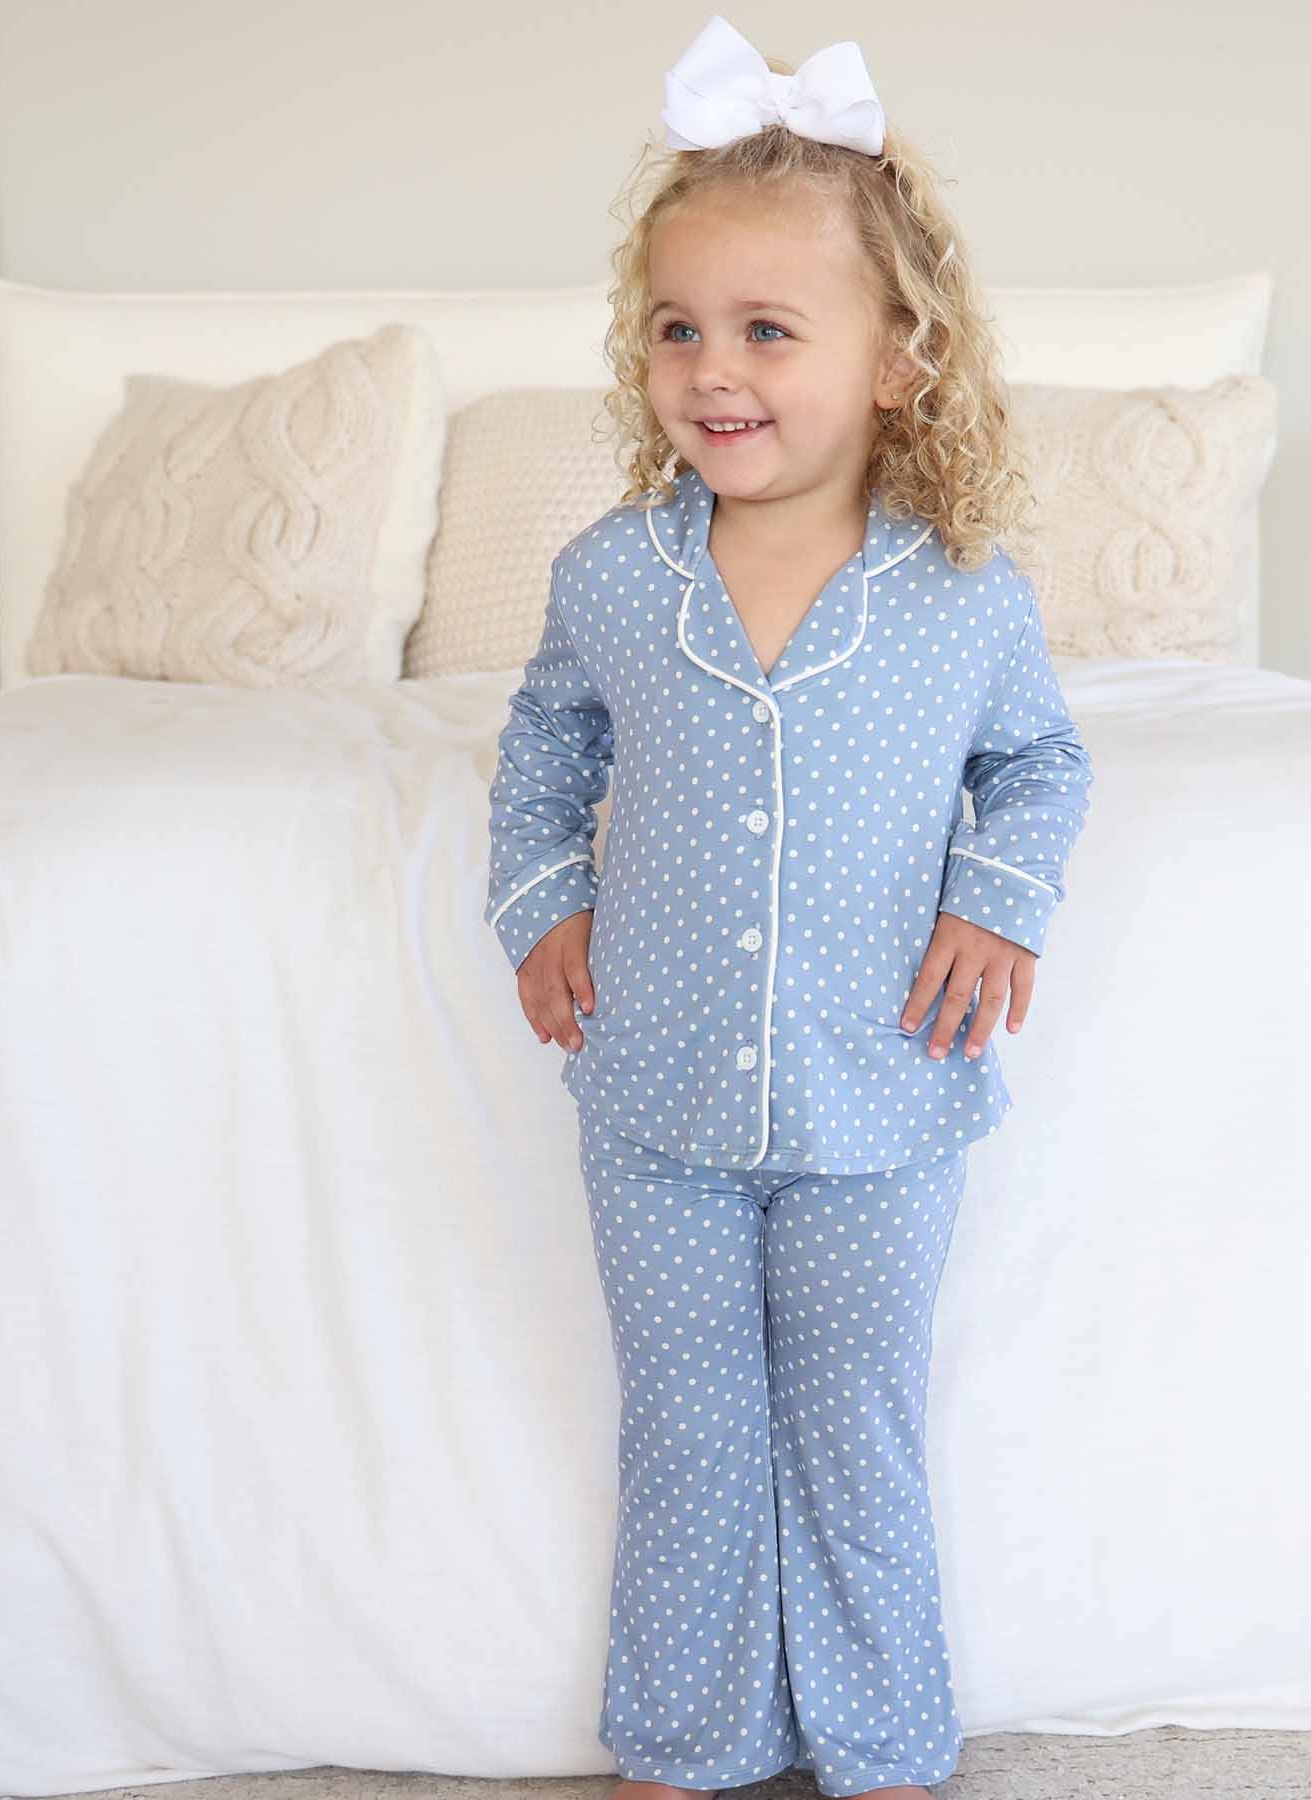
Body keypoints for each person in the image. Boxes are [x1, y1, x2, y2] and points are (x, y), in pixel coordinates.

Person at [483, 15, 1094, 1797]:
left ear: (900, 357)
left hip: (881, 1092)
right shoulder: (613, 575)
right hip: (655, 1095)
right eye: (677, 327)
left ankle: (883, 1739)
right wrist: (542, 901)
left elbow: (1041, 763)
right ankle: (690, 1734)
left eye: (767, 329)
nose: (712, 368)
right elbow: (541, 750)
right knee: (686, 1425)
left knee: (853, 1423)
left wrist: (997, 904)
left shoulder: (963, 591)